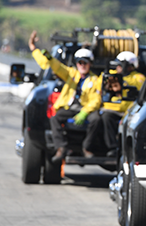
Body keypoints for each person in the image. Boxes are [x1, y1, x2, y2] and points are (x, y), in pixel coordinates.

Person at [28, 31, 102, 163]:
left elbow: (96, 99)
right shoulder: (71, 74)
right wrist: (46, 55)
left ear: (90, 64)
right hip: (71, 107)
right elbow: (57, 67)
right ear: (76, 63)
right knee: (55, 118)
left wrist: (84, 112)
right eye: (80, 62)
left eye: (85, 62)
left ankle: (86, 148)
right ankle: (61, 148)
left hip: (85, 109)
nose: (82, 65)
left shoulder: (96, 80)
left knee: (96, 119)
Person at [98, 51, 146, 154]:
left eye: (121, 65)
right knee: (106, 118)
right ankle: (112, 148)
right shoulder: (111, 75)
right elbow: (100, 85)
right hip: (113, 110)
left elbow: (139, 84)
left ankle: (130, 150)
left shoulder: (138, 77)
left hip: (129, 112)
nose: (118, 67)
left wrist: (122, 80)